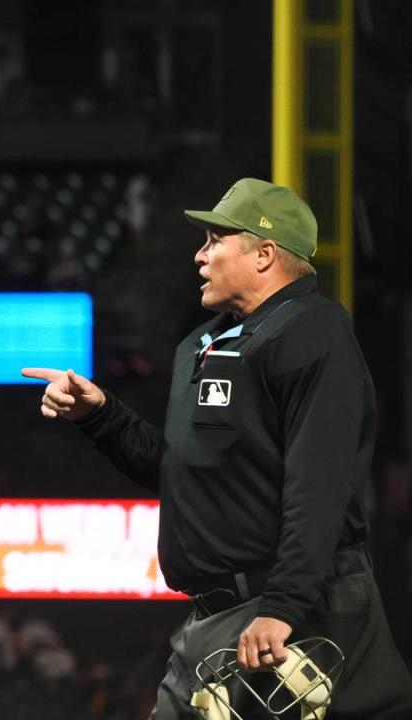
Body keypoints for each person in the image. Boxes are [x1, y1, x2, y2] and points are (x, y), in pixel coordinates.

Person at [24, 178, 412, 719]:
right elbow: (181, 473)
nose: (199, 255)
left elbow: (319, 485)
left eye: (214, 240)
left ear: (265, 253)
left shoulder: (312, 331)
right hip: (215, 619)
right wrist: (102, 416)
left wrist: (284, 606)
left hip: (290, 610)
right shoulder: (208, 342)